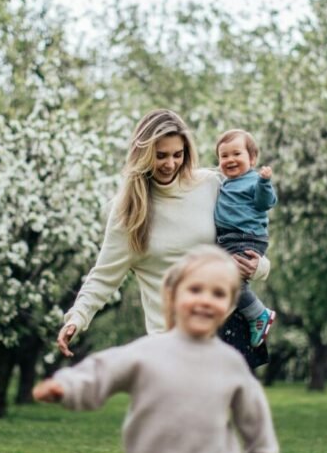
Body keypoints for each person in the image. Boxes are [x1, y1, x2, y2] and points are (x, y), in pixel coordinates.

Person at [56, 109, 270, 358]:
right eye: (161, 156)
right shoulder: (129, 211)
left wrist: (259, 267)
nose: (170, 164)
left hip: (226, 331)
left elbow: (248, 231)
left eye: (178, 155)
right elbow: (103, 276)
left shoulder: (210, 185)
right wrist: (77, 318)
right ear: (143, 155)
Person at [34, 246, 279, 453]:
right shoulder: (148, 353)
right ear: (172, 297)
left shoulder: (230, 363)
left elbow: (256, 425)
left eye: (218, 294)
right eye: (195, 290)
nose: (205, 300)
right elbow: (102, 372)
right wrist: (66, 387)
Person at [215, 129, 278, 347]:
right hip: (230, 239)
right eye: (224, 156)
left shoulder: (253, 180)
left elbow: (265, 203)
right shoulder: (223, 182)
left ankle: (258, 314)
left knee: (232, 283)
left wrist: (264, 182)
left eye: (236, 154)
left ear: (252, 159)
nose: (230, 160)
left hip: (245, 238)